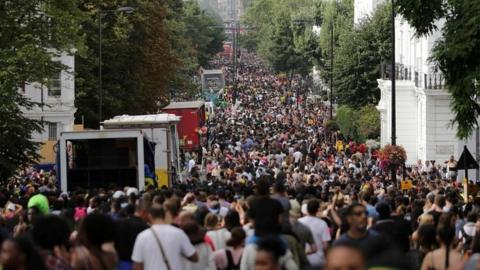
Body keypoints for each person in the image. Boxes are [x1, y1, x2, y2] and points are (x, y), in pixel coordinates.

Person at [131, 204, 198, 270]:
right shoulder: (178, 233)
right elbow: (194, 257)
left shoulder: (142, 236)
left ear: (150, 216)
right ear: (164, 216)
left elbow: (137, 265)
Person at [115, 199, 150, 270]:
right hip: (137, 264)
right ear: (144, 212)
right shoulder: (145, 228)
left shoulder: (118, 222)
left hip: (118, 264)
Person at [298, 199, 330, 267]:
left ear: (307, 209)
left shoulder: (298, 222)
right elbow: (325, 245)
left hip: (302, 259)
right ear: (317, 209)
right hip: (318, 260)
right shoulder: (323, 224)